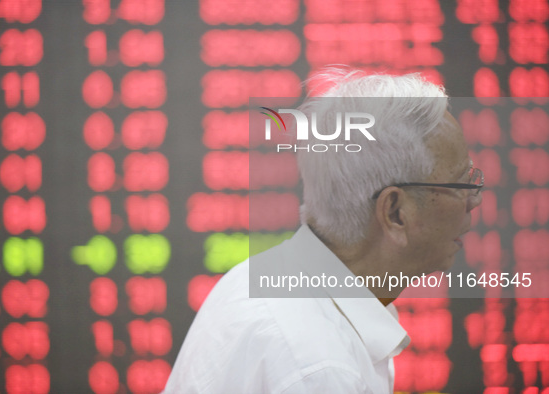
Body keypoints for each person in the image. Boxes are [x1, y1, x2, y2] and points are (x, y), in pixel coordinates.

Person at [164, 70, 484, 393]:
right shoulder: (320, 371)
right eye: (460, 184)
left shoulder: (260, 278)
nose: (473, 200)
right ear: (395, 212)